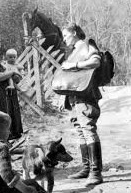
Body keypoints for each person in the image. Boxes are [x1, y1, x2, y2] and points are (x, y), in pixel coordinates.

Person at [59, 23, 103, 186]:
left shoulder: (86, 45)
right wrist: (63, 97)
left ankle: (96, 172)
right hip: (74, 97)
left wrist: (74, 65)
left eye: (66, 35)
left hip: (86, 96)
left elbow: (96, 61)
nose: (64, 39)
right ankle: (86, 168)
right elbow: (70, 78)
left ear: (75, 32)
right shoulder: (73, 51)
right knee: (80, 130)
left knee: (88, 129)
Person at [0, 109, 46, 193]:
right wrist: (26, 189)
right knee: (33, 186)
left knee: (30, 182)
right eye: (8, 129)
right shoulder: (1, 147)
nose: (9, 131)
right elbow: (6, 173)